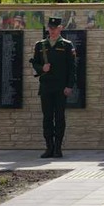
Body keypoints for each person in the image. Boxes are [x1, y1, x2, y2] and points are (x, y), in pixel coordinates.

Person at [30, 17, 76, 158]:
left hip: (61, 87)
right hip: (46, 86)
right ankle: (49, 147)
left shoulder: (67, 45)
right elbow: (35, 63)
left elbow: (72, 68)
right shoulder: (41, 45)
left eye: (55, 28)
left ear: (60, 28)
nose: (52, 30)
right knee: (47, 118)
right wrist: (42, 68)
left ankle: (58, 148)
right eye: (50, 28)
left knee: (60, 117)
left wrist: (69, 86)